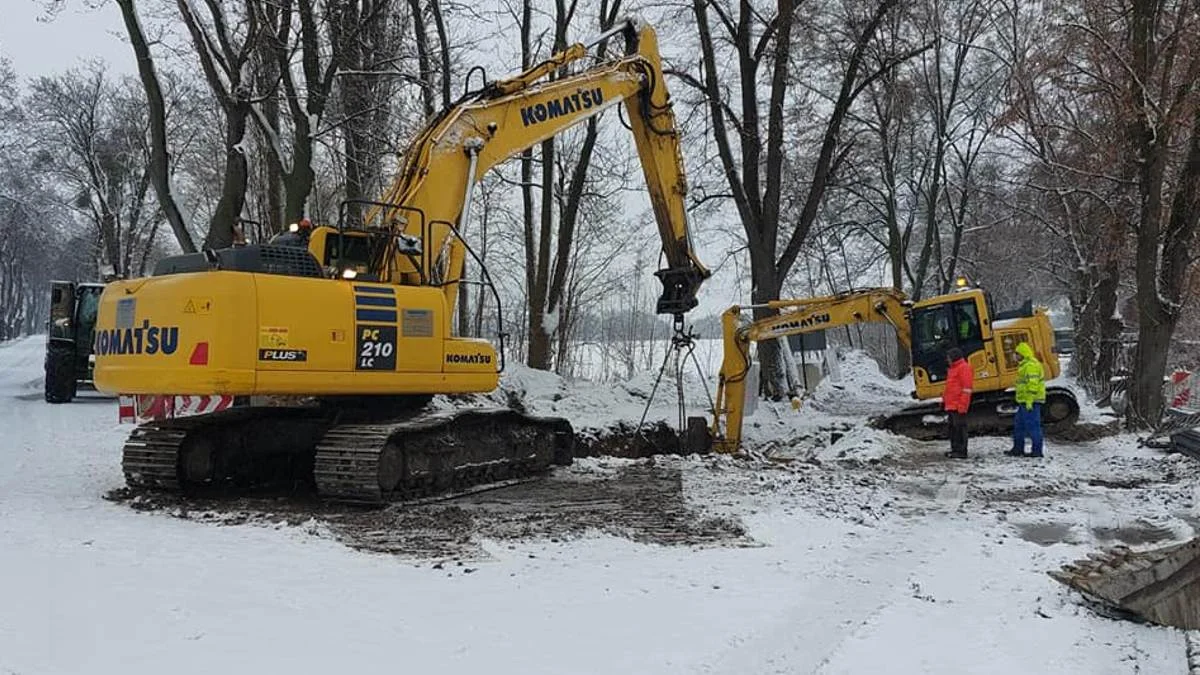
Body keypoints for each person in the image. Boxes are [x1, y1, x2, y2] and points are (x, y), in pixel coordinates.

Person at [1006, 342, 1046, 458]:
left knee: (1033, 427)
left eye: (1017, 354)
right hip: (1024, 401)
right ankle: (1017, 449)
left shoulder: (1030, 366)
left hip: (1031, 401)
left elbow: (1032, 385)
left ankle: (1037, 452)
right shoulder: (1024, 365)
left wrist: (1029, 400)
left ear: (1022, 354)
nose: (1015, 356)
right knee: (1019, 426)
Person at [943, 347, 973, 458]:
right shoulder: (953, 369)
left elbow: (966, 389)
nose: (947, 360)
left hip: (958, 405)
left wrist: (962, 405)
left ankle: (961, 451)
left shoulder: (963, 368)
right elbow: (950, 388)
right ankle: (955, 449)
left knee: (960, 429)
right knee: (953, 429)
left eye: (949, 357)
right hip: (951, 404)